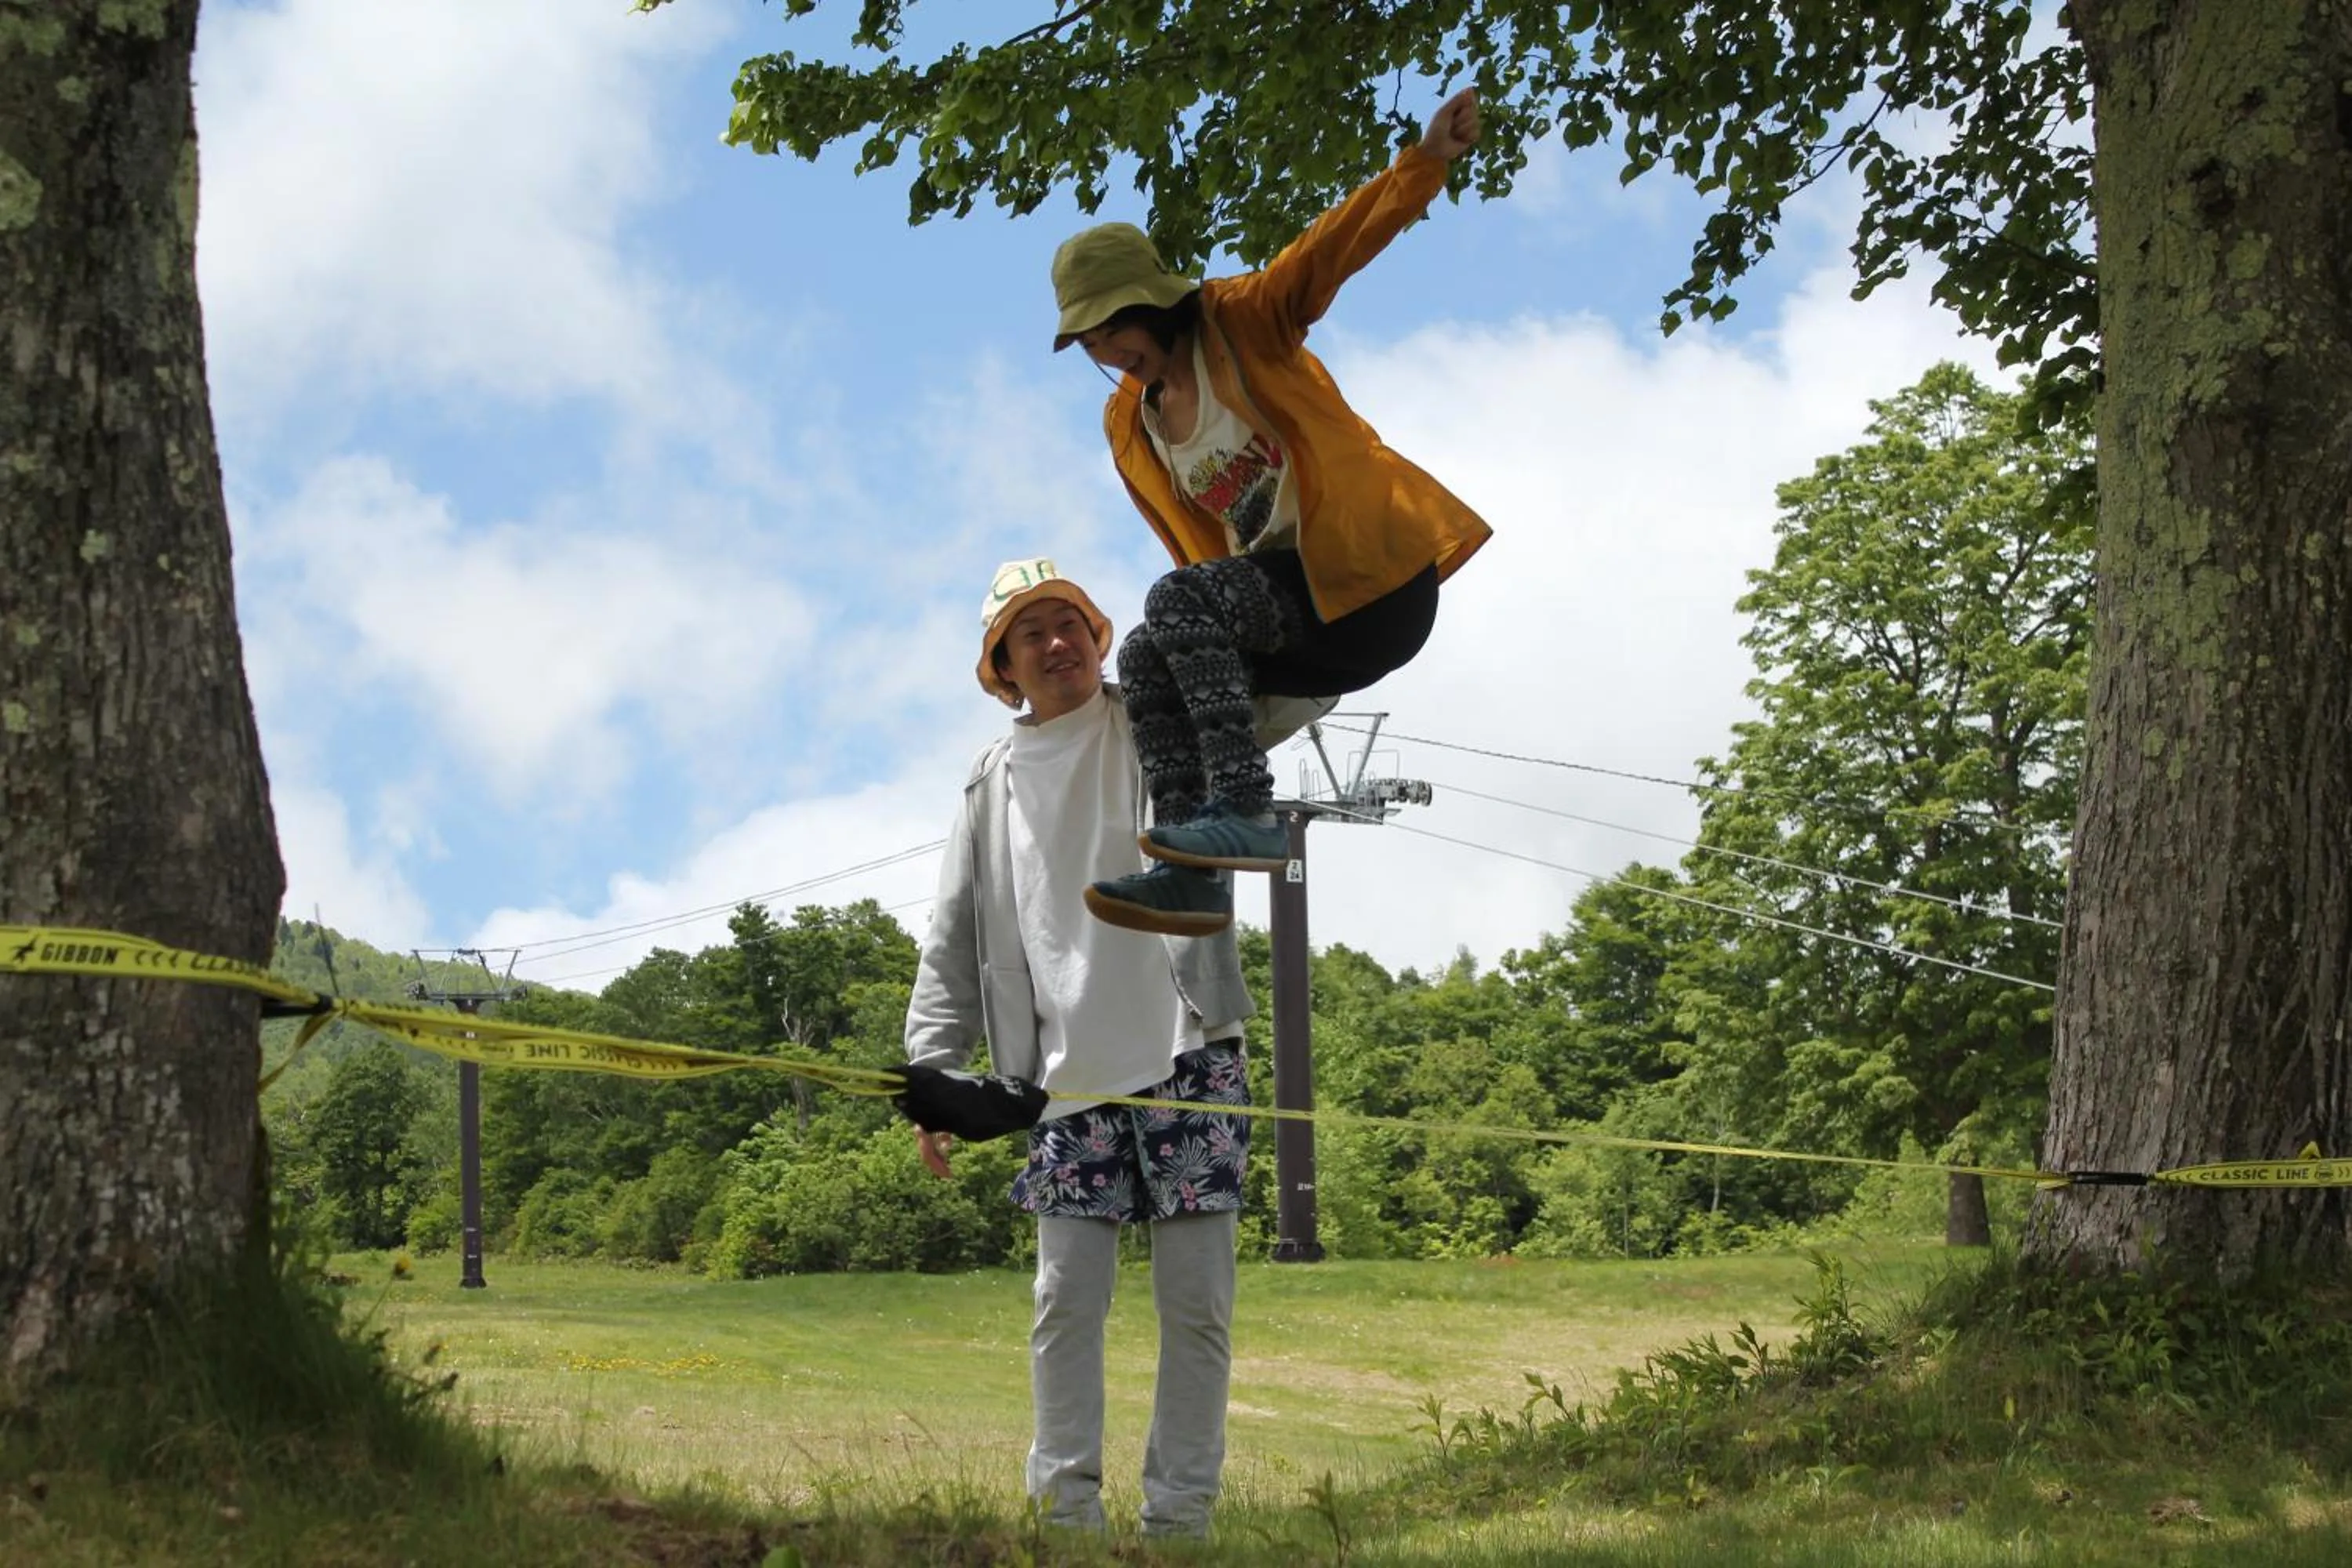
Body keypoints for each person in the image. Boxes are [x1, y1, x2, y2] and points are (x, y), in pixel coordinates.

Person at [1049, 87, 1495, 937]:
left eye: (1110, 329)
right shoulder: (1132, 420)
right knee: (1145, 655)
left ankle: (1246, 809)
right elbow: (1198, 549)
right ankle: (1191, 876)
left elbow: (1327, 252)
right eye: (1091, 344)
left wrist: (1423, 165)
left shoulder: (1242, 322)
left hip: (1370, 586)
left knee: (1177, 600)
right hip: (1291, 614)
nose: (1108, 353)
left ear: (1147, 302)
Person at [899, 557, 1257, 1539]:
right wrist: (932, 1075)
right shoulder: (990, 783)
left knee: (1197, 1305)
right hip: (1064, 1080)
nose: (1057, 642)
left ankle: (1180, 1522)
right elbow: (953, 933)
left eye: (1071, 623)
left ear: (1099, 638)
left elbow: (1264, 713)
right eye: (1032, 632)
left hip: (1189, 1049)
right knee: (1064, 1302)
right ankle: (1064, 1519)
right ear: (1003, 668)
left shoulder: (1154, 717)